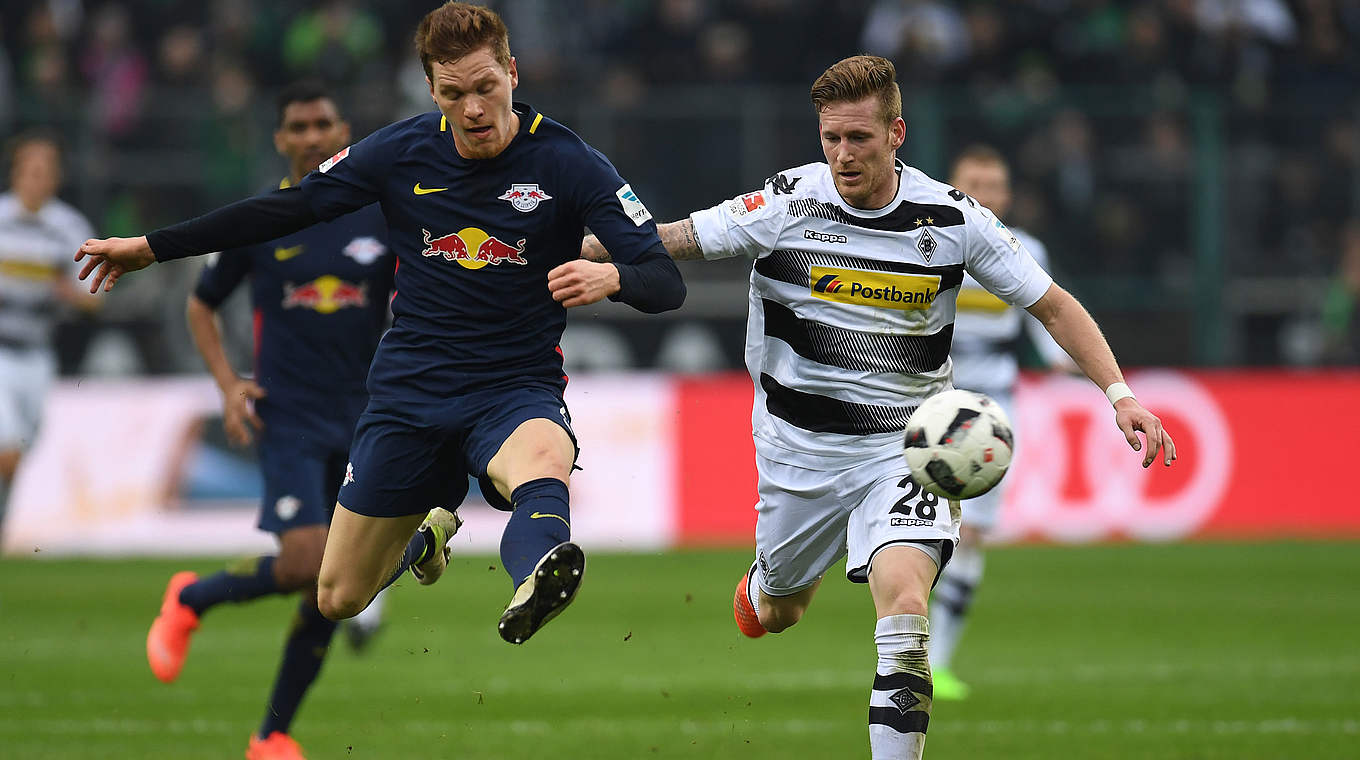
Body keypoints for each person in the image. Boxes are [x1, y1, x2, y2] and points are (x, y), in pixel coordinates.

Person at [583, 55, 1175, 759]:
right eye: (831, 138)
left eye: (859, 138)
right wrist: (594, 257)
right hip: (796, 451)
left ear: (896, 133)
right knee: (781, 610)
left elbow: (1051, 304)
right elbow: (676, 238)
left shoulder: (952, 218)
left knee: (903, 603)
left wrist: (1120, 395)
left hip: (906, 446)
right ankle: (765, 588)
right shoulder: (785, 204)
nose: (842, 155)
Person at [76, 2, 684, 660]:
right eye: (454, 94)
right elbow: (285, 209)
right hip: (409, 395)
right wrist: (153, 247)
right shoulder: (400, 153)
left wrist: (614, 279)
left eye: (486, 87)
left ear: (513, 71)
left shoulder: (571, 162)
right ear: (431, 90)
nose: (474, 109)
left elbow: (663, 280)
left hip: (514, 386)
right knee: (339, 596)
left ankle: (537, 576)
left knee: (544, 461)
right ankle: (425, 539)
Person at [143, 81, 404, 760]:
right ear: (281, 139)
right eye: (299, 126)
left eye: (323, 124)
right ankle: (193, 597)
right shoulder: (263, 219)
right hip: (288, 415)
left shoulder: (381, 215)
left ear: (343, 132)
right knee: (306, 563)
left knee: (334, 589)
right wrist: (229, 385)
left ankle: (271, 735)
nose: (313, 136)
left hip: (364, 418)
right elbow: (201, 305)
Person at [927, 144, 1077, 700]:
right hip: (923, 399)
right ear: (953, 186)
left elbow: (1046, 313)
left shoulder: (1024, 249)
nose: (985, 194)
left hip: (991, 407)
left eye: (995, 185)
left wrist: (1062, 359)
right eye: (975, 184)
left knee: (972, 533)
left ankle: (936, 664)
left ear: (1007, 195)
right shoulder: (930, 239)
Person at [0, 132, 97, 538]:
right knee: (6, 449)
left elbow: (95, 298)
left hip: (39, 353)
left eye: (47, 171)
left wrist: (68, 292)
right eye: (31, 169)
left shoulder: (69, 227)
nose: (38, 178)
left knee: (21, 449)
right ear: (16, 173)